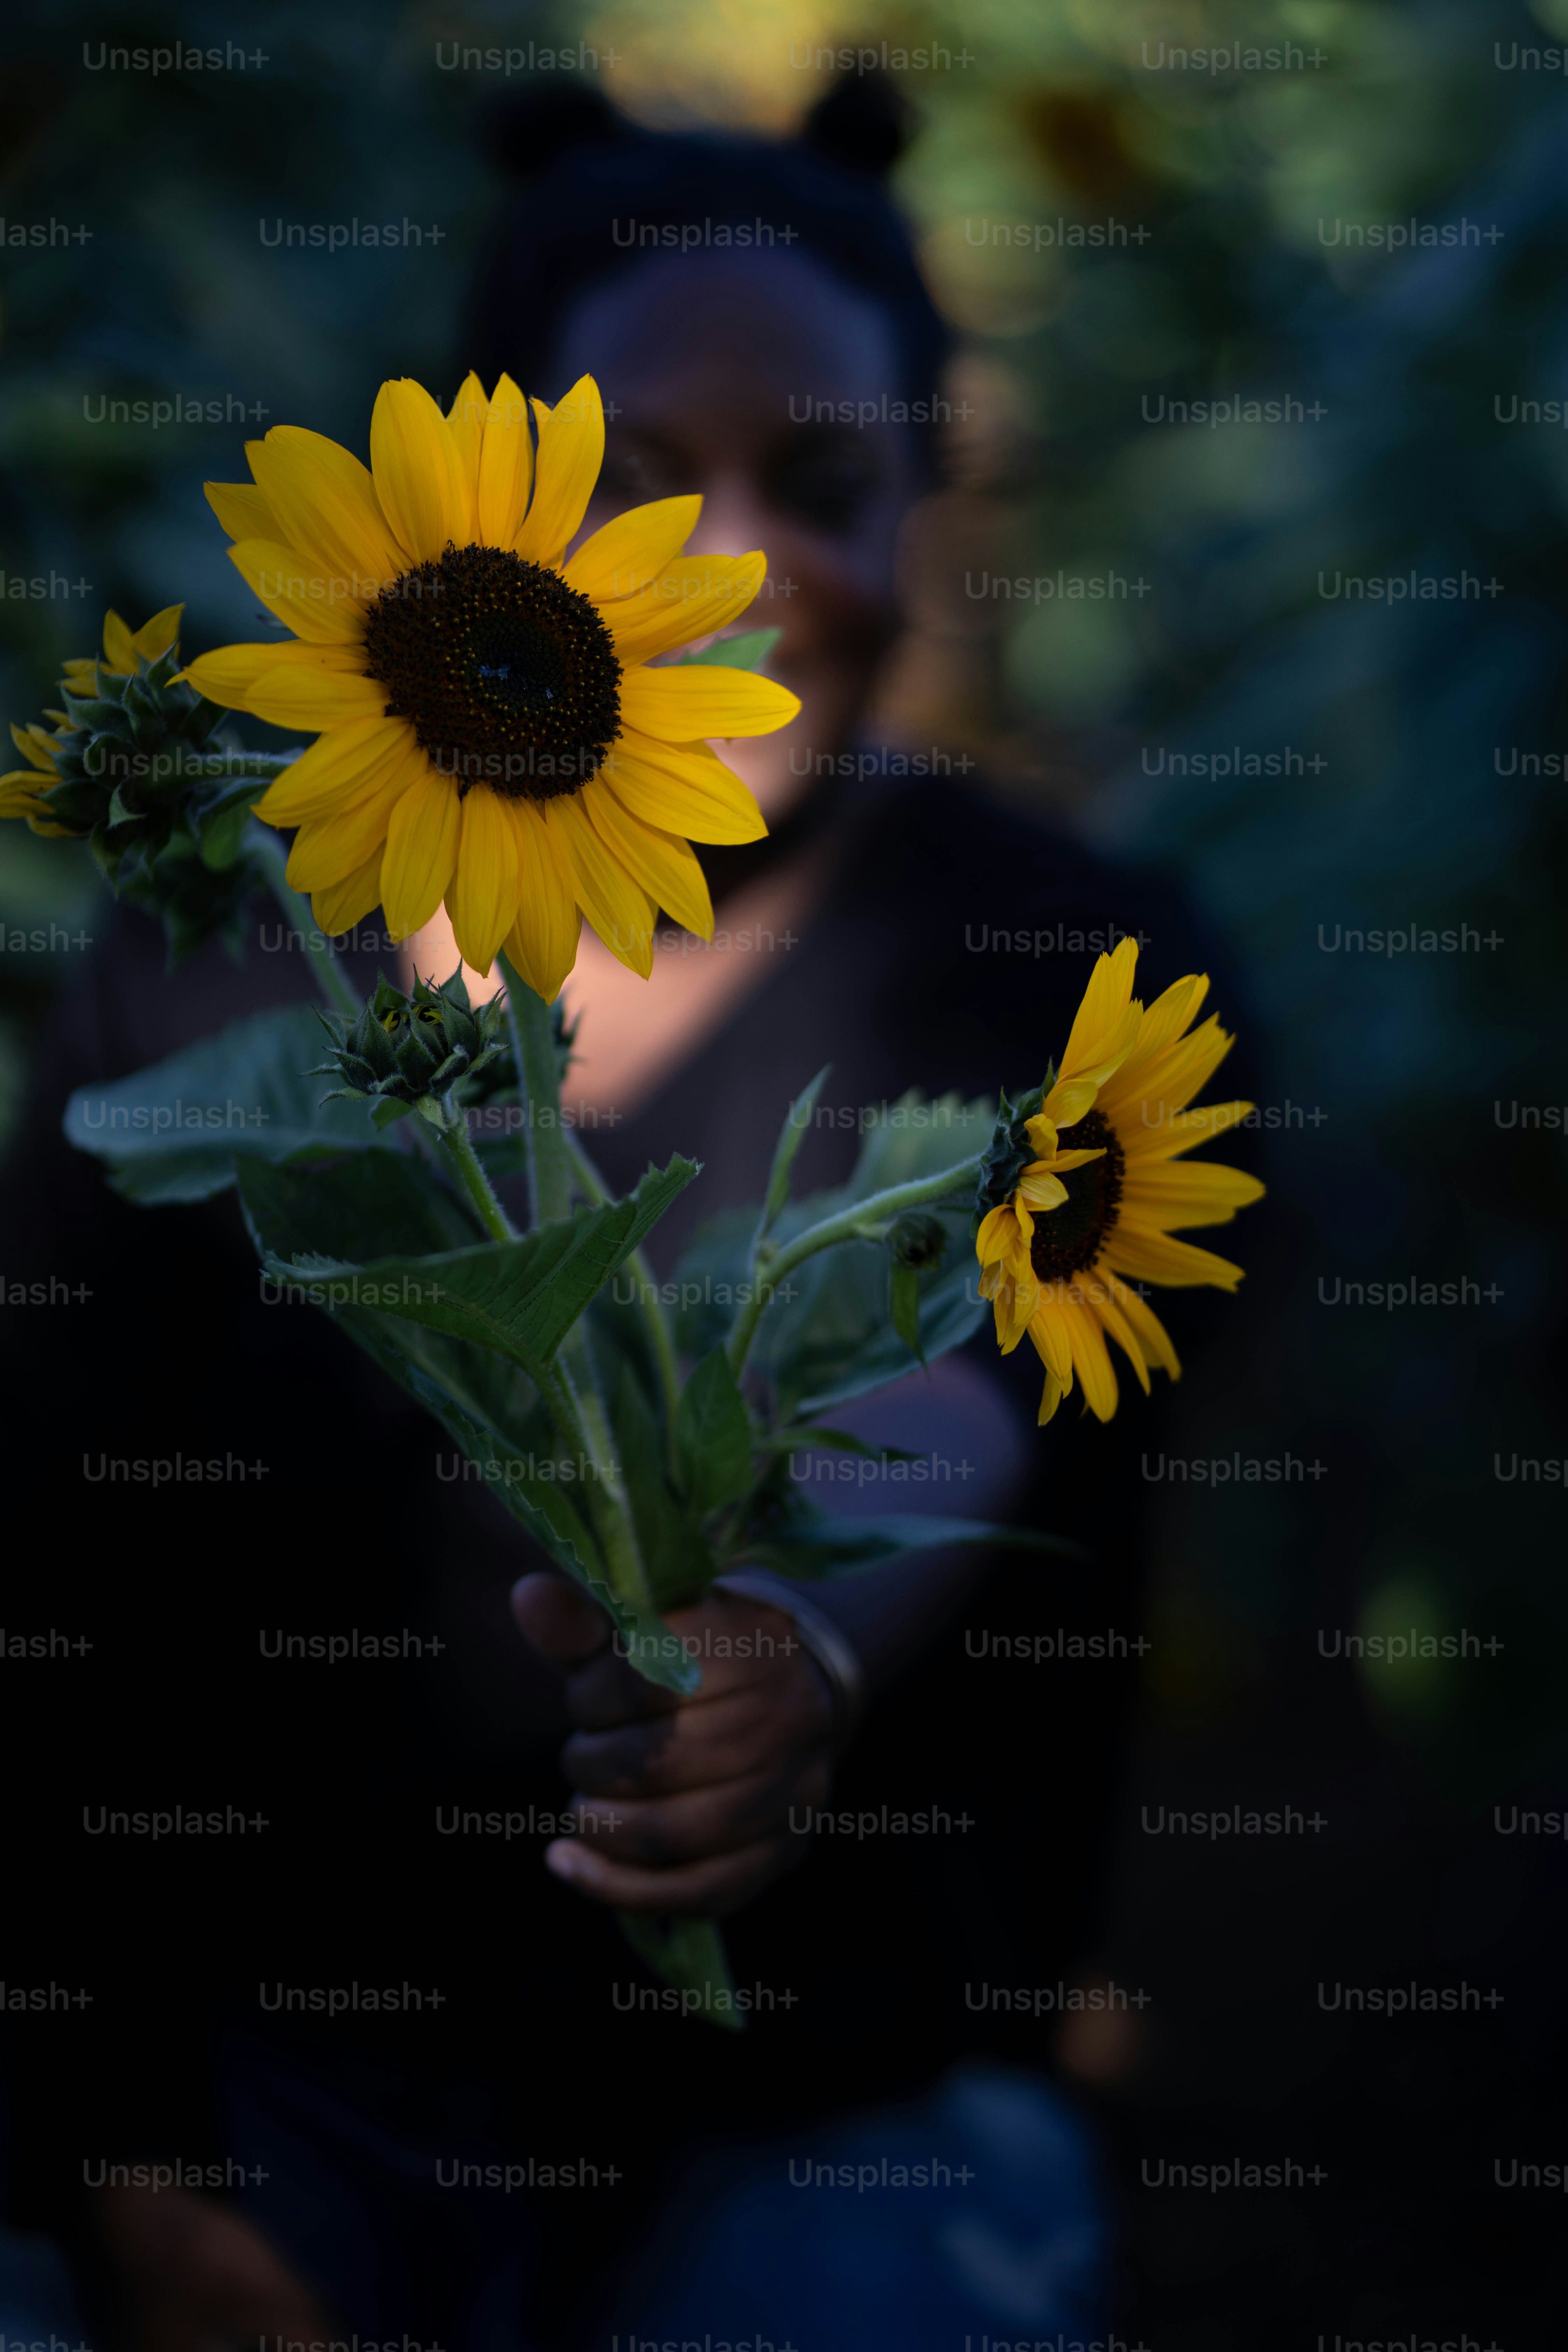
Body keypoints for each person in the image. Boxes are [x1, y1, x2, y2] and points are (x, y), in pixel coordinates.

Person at [0, 79, 1259, 2352]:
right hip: (280, 2098)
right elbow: (46, 1582)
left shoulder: (1055, 970)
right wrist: (117, 2168)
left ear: (929, 516)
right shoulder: (215, 989)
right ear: (502, 510)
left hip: (821, 2091)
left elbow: (965, 1388)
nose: (736, 564)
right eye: (644, 486)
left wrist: (787, 1638)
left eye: (826, 485)